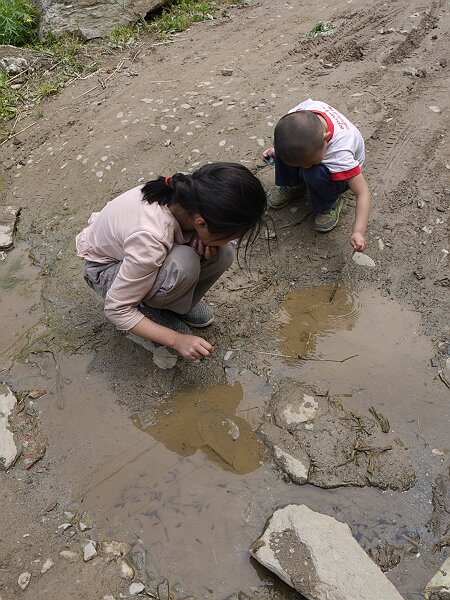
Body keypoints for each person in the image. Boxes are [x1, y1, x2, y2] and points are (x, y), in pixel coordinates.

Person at [76, 162, 267, 362]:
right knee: (185, 263)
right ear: (201, 223)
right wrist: (177, 341)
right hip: (106, 270)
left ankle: (174, 305)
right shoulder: (150, 237)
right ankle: (149, 309)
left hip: (139, 257)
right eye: (229, 235)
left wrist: (203, 238)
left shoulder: (192, 192)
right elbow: (117, 309)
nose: (231, 240)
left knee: (223, 253)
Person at [262, 99, 370, 251]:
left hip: (341, 175)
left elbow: (362, 192)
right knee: (287, 150)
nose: (304, 168)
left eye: (309, 162)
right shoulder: (299, 114)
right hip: (315, 150)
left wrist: (358, 231)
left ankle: (329, 203)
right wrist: (276, 150)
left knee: (313, 171)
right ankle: (293, 185)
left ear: (326, 139)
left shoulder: (340, 152)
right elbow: (289, 139)